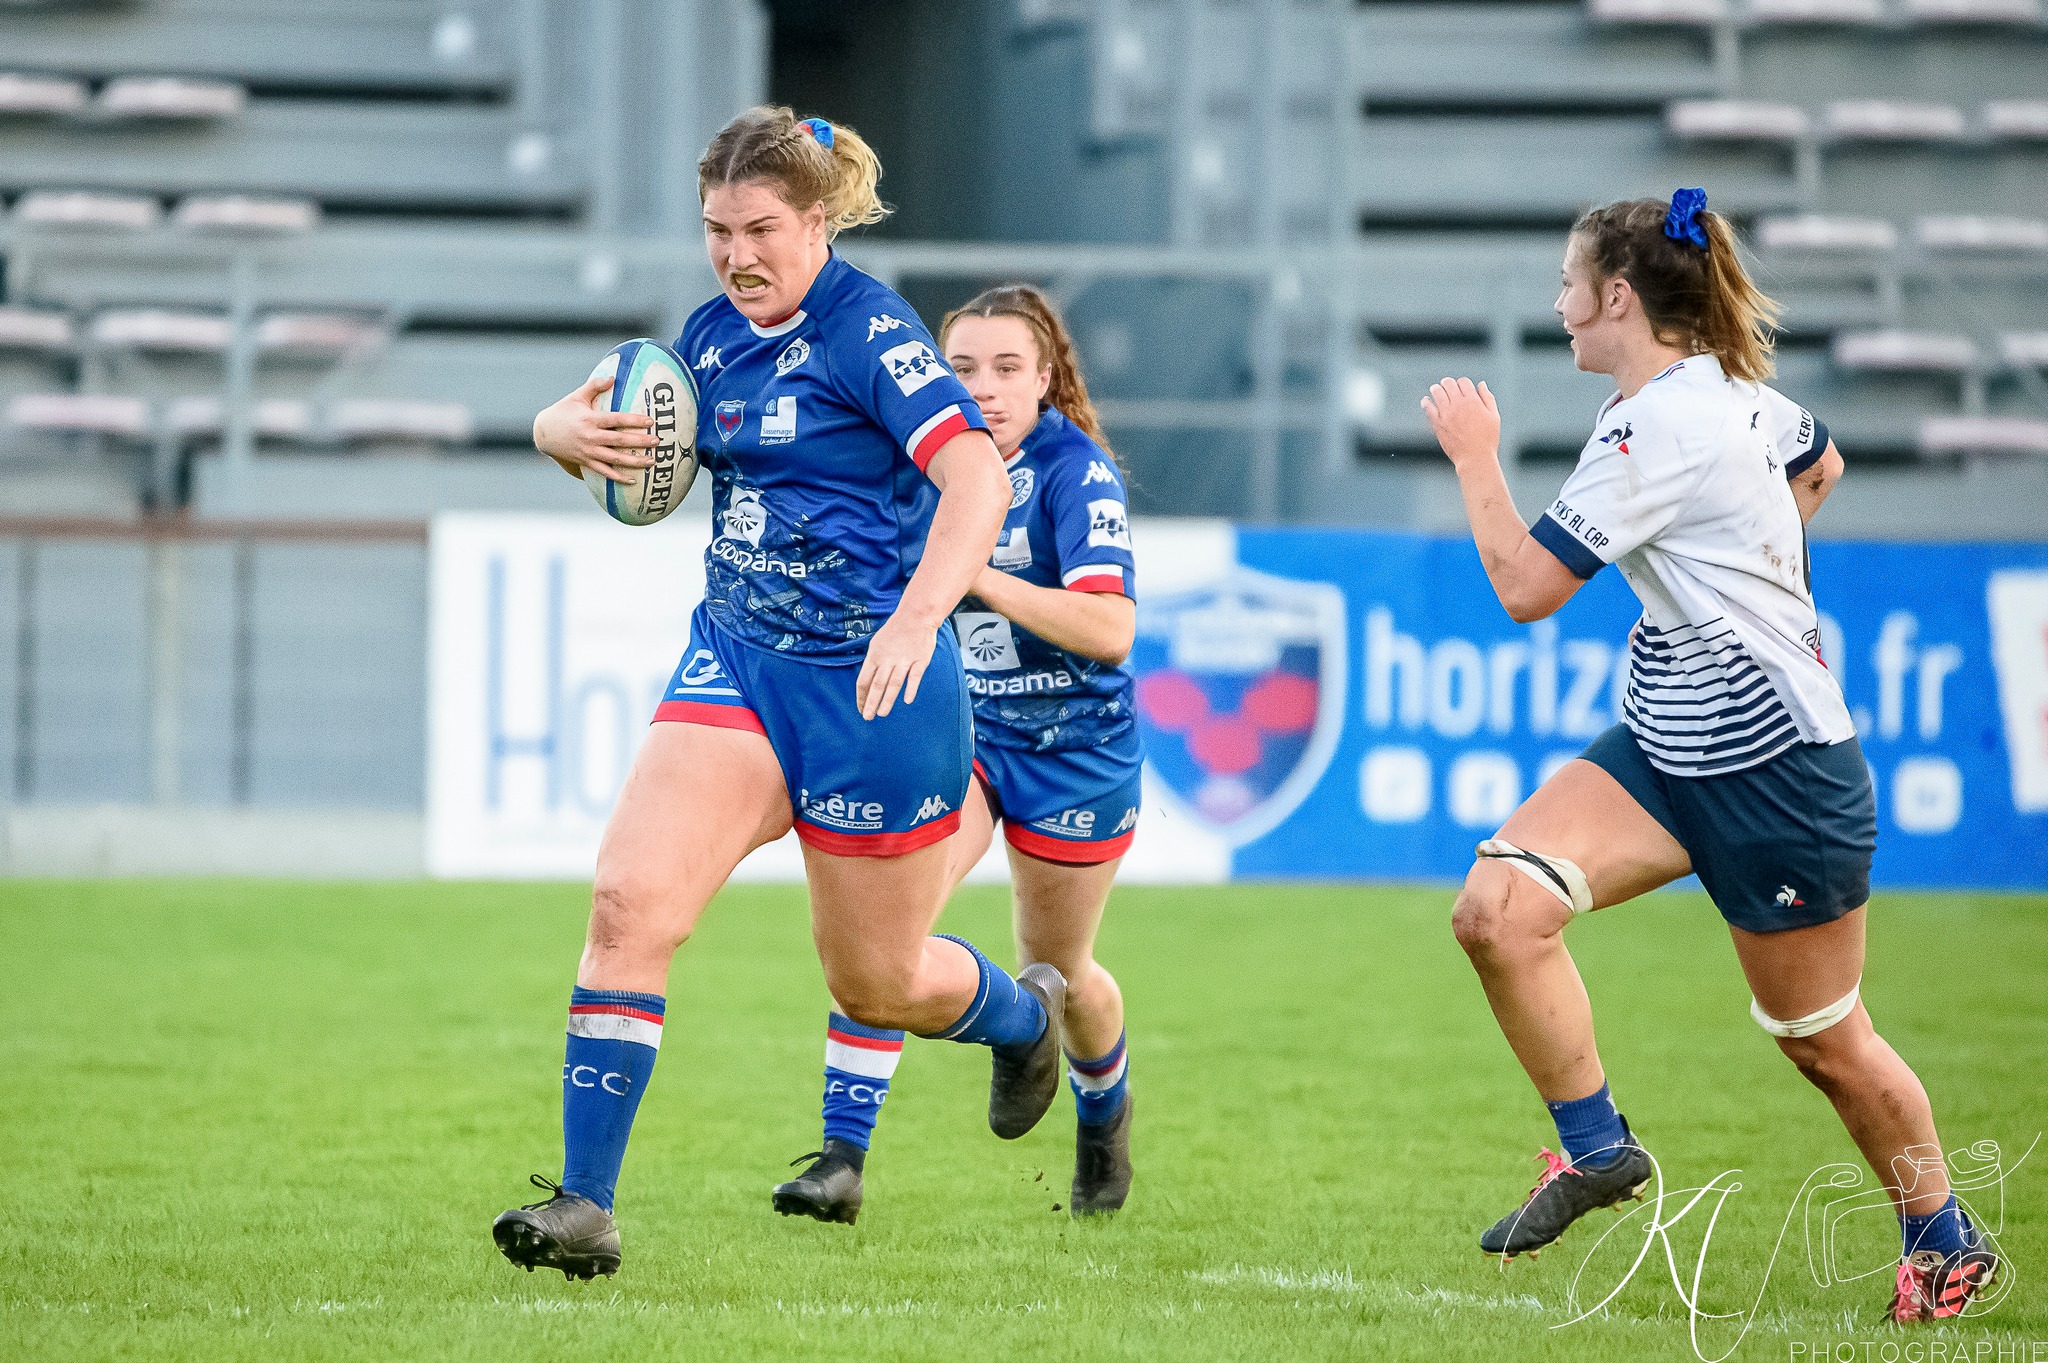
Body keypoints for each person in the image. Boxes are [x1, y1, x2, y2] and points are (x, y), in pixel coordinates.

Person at [491, 108, 1069, 1281]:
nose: (736, 254)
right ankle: (585, 1207)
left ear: (816, 221)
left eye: (760, 229)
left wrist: (917, 616)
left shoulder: (872, 335)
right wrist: (553, 425)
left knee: (878, 981)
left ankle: (1023, 1017)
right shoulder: (705, 341)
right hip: (741, 664)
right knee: (626, 903)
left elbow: (974, 478)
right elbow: (591, 419)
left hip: (877, 690)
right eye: (716, 230)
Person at [1421, 189, 1997, 1322]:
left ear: (1618, 297)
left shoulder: (1658, 424)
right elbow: (1816, 463)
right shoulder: (1725, 397)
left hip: (1781, 773)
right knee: (1497, 910)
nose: (1559, 306)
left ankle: (1942, 1235)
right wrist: (1735, 575)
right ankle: (1597, 1150)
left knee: (1824, 1043)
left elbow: (1523, 588)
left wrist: (1474, 455)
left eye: (1569, 285)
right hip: (1667, 741)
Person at [769, 285, 1142, 1225]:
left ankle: (1104, 1113)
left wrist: (975, 573)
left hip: (1077, 751)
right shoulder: (921, 459)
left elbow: (1111, 626)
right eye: (962, 367)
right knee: (887, 932)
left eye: (1007, 368)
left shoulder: (1074, 472)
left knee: (1064, 971)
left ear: (1047, 378)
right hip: (970, 737)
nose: (982, 387)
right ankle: (841, 1157)